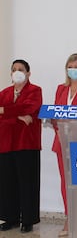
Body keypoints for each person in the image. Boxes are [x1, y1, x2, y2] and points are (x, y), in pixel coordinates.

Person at [0, 59, 42, 233]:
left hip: (27, 143)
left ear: (28, 73)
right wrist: (18, 117)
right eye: (14, 69)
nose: (17, 72)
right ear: (10, 73)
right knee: (7, 182)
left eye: (21, 69)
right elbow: (19, 113)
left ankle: (28, 220)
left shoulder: (35, 91)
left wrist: (5, 111)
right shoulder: (4, 93)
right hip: (6, 143)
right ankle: (11, 218)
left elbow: (30, 108)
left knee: (27, 182)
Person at [52, 53, 77, 237]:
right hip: (61, 142)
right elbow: (54, 114)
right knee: (65, 183)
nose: (73, 70)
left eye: (76, 67)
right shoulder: (60, 89)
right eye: (70, 66)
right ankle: (69, 217)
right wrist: (56, 121)